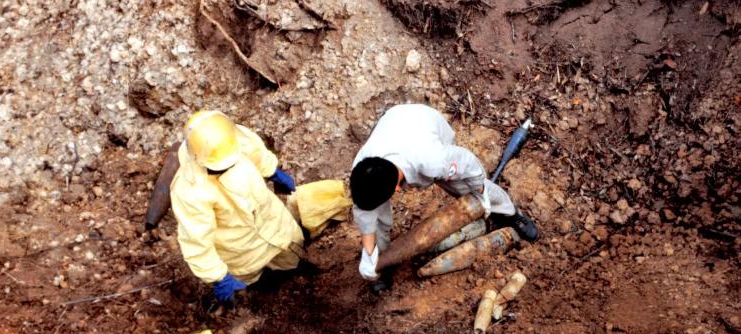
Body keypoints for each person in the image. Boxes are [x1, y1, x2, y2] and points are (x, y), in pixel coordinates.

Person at [350, 104, 538, 283]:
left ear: (397, 189)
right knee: (378, 220)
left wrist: (480, 193)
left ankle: (510, 213)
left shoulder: (434, 160)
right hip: (393, 125)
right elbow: (365, 211)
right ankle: (381, 263)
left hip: (424, 121)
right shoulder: (363, 171)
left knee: (464, 187)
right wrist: (369, 256)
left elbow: (469, 164)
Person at [170, 110, 304, 309]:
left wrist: (272, 171)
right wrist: (218, 277)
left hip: (276, 224)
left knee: (293, 258)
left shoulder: (230, 139)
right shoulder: (190, 190)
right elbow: (197, 242)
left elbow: (255, 151)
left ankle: (297, 274)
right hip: (241, 252)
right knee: (256, 286)